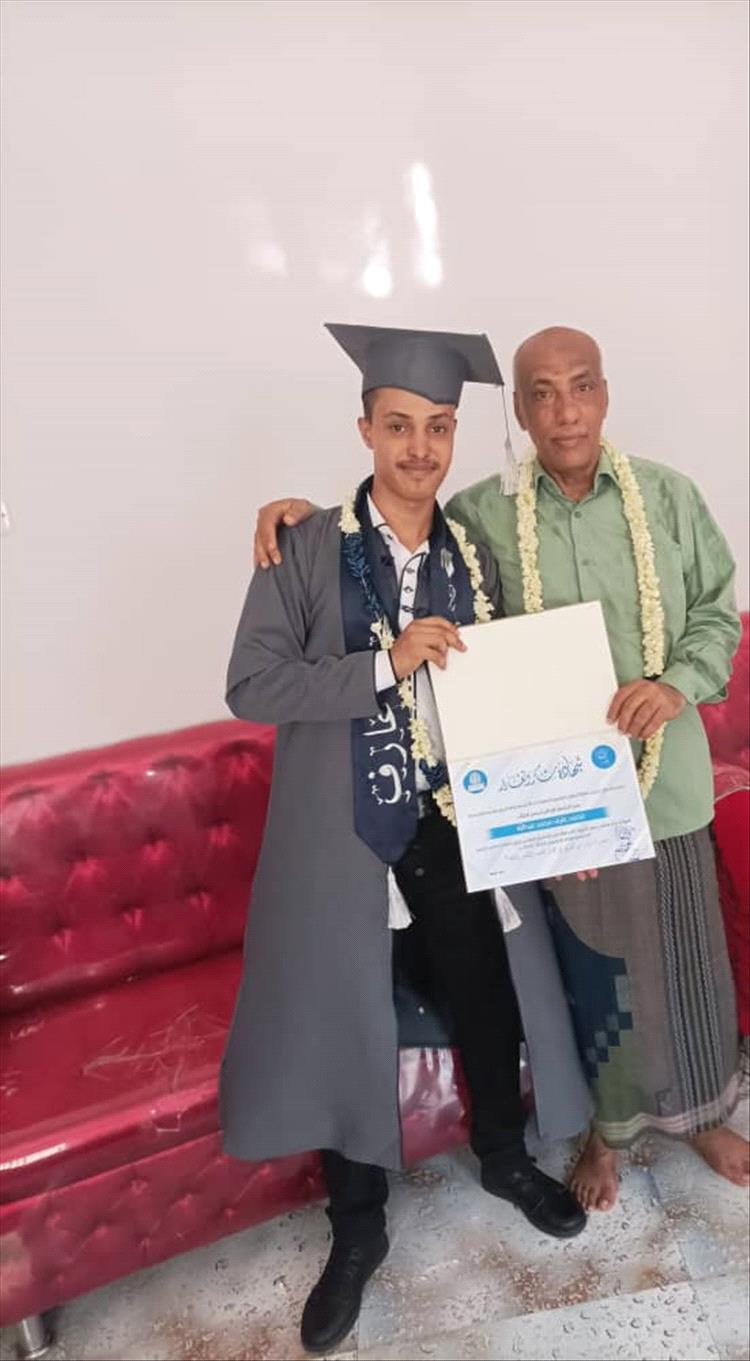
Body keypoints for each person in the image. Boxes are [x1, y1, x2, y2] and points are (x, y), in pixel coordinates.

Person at [253, 324, 748, 1216]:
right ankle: (608, 1130)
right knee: (599, 972)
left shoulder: (669, 497)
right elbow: (391, 529)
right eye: (542, 394)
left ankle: (706, 1117)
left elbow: (717, 609)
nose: (566, 411)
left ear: (605, 393)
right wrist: (300, 519)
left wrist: (676, 683)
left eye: (582, 386)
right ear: (517, 411)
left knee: (687, 958)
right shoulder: (484, 516)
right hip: (557, 800)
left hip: (664, 780)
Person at [222, 324, 589, 1356]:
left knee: (486, 989)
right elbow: (251, 683)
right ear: (365, 431)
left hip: (446, 819)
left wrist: (566, 802)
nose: (419, 447)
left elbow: (514, 686)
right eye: (398, 426)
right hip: (341, 829)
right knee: (346, 1014)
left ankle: (505, 1156)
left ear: (453, 434)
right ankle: (356, 1226)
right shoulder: (303, 547)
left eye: (437, 427)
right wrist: (384, 663)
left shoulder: (472, 552)